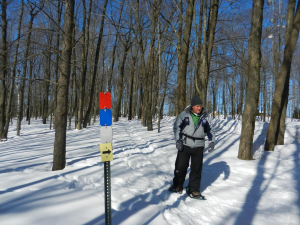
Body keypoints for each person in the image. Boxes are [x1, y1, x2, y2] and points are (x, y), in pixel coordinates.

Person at [169, 95, 215, 198]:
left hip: (199, 146)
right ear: (193, 106)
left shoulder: (206, 117)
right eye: (197, 106)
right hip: (184, 144)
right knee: (180, 166)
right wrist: (178, 140)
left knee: (196, 169)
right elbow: (177, 127)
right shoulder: (184, 115)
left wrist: (211, 141)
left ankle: (193, 189)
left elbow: (210, 130)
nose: (199, 108)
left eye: (200, 106)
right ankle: (177, 185)